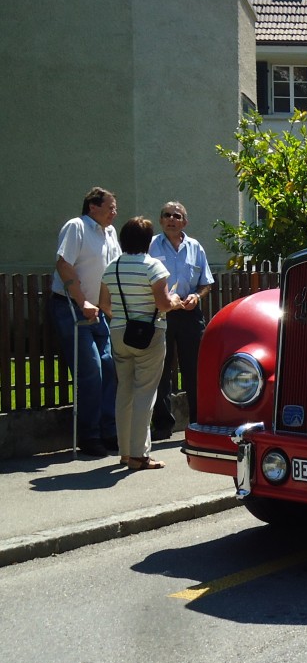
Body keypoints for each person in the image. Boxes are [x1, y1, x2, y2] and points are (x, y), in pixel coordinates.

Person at [99, 217, 183, 470]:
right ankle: (139, 455)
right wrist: (177, 301)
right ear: (148, 241)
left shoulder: (111, 267)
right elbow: (163, 304)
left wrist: (123, 320)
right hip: (150, 334)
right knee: (145, 393)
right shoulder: (153, 266)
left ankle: (124, 452)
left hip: (118, 332)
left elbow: (104, 304)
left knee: (124, 391)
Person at [49, 187, 122, 457]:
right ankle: (89, 435)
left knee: (110, 365)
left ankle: (109, 430)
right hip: (72, 308)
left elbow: (112, 271)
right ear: (93, 206)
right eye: (110, 207)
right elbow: (63, 264)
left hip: (99, 311)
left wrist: (108, 308)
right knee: (91, 370)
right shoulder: (77, 227)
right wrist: (83, 302)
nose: (115, 212)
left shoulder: (111, 233)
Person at [149, 201, 214, 438]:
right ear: (160, 220)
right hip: (162, 313)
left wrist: (197, 296)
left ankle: (198, 422)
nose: (171, 219)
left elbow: (206, 283)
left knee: (194, 370)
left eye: (176, 216)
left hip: (189, 313)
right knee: (161, 371)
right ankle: (163, 425)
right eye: (166, 215)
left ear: (184, 221)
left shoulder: (195, 247)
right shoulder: (151, 246)